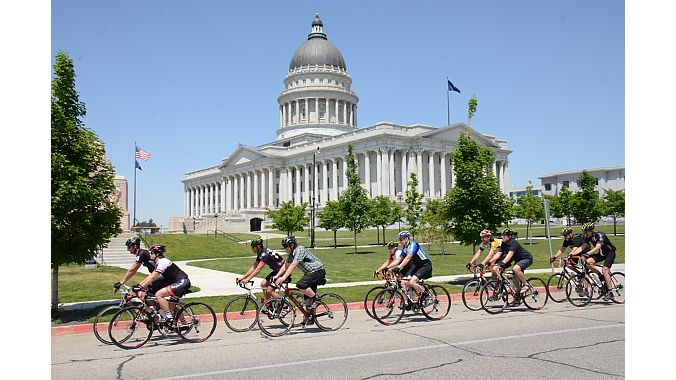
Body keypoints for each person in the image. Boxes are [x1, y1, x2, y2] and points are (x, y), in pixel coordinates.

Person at [133, 244, 191, 323]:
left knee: (159, 294)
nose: (150, 255)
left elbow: (153, 277)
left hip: (182, 281)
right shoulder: (158, 263)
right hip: (175, 283)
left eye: (152, 253)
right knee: (170, 306)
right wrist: (140, 285)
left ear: (157, 254)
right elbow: (151, 276)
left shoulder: (163, 262)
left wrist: (141, 286)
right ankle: (184, 324)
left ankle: (169, 316)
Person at [273, 236, 326, 320]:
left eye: (285, 246)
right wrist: (277, 276)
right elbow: (286, 265)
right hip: (309, 273)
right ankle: (310, 318)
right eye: (283, 246)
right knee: (307, 299)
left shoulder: (300, 249)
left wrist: (283, 278)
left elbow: (294, 264)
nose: (284, 248)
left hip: (318, 271)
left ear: (292, 245)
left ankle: (316, 299)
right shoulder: (291, 254)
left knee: (301, 285)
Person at [237, 236, 287, 304]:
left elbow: (258, 269)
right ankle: (269, 305)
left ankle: (285, 306)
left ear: (259, 246)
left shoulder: (264, 254)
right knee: (263, 284)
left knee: (270, 290)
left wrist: (248, 279)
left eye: (253, 247)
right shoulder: (261, 253)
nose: (252, 249)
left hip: (283, 271)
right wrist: (243, 277)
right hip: (277, 271)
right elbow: (253, 267)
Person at [392, 231, 432, 307]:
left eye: (401, 239)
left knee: (412, 282)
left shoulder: (413, 244)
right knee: (403, 282)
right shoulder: (405, 247)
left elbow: (408, 258)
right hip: (416, 266)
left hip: (425, 265)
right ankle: (410, 301)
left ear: (406, 239)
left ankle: (427, 296)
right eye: (399, 239)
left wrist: (399, 267)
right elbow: (399, 259)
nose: (400, 241)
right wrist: (389, 268)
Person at [496, 228, 533, 305]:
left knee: (515, 268)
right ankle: (517, 298)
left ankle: (526, 285)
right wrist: (490, 262)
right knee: (514, 279)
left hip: (526, 258)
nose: (502, 237)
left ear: (509, 236)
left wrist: (503, 263)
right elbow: (498, 254)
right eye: (502, 235)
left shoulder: (513, 243)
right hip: (518, 261)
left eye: (504, 235)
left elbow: (510, 254)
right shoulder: (503, 244)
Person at [581, 223, 617, 301]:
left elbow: (597, 247)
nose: (585, 233)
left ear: (591, 231)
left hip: (610, 253)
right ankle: (600, 275)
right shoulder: (587, 237)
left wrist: (587, 254)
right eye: (584, 232)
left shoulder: (600, 235)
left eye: (586, 231)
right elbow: (582, 247)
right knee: (587, 263)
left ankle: (610, 293)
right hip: (601, 254)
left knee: (605, 270)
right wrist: (573, 254)